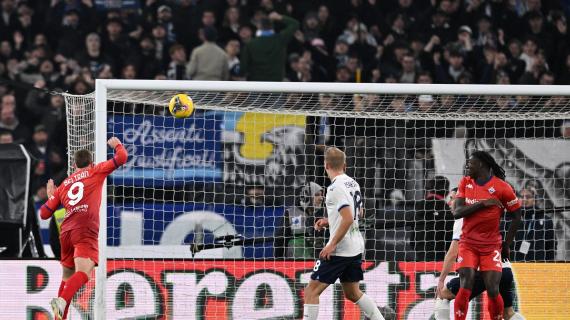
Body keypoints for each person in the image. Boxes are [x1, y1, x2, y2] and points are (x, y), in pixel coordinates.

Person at [39, 137, 128, 320]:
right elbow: (122, 157)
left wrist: (51, 198)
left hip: (66, 232)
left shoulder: (65, 184)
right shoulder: (96, 171)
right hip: (84, 229)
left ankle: (58, 317)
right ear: (91, 162)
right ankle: (62, 300)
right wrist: (116, 144)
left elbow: (44, 214)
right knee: (84, 273)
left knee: (67, 276)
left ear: (74, 165)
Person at [303, 147, 384, 320]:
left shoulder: (334, 188)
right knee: (353, 293)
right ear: (345, 166)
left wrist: (331, 244)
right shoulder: (353, 183)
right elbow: (359, 214)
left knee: (311, 291)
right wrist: (329, 221)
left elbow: (347, 218)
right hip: (356, 246)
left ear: (326, 165)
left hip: (340, 249)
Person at [434, 189, 525, 320]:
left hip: (483, 271)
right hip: (504, 269)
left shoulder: (463, 218)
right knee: (508, 313)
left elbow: (453, 252)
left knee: (442, 295)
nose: (449, 203)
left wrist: (441, 279)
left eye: (453, 198)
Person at [452, 151, 522, 320]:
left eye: (471, 163)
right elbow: (457, 212)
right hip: (468, 243)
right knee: (466, 283)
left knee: (492, 289)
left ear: (482, 165)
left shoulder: (502, 187)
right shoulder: (465, 183)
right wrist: (483, 203)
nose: (467, 166)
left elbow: (517, 216)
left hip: (491, 247)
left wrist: (506, 244)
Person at [240, 12, 299, 81]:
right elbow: (295, 24)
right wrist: (279, 17)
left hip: (256, 85)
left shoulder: (250, 44)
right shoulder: (280, 39)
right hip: (276, 85)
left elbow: (243, 68)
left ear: (259, 26)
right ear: (272, 26)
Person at [274, 182, 325, 258]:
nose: (321, 198)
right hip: (294, 262)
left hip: (320, 261)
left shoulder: (324, 214)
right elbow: (280, 240)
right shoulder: (291, 213)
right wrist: (278, 261)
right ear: (305, 196)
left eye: (321, 195)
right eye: (317, 195)